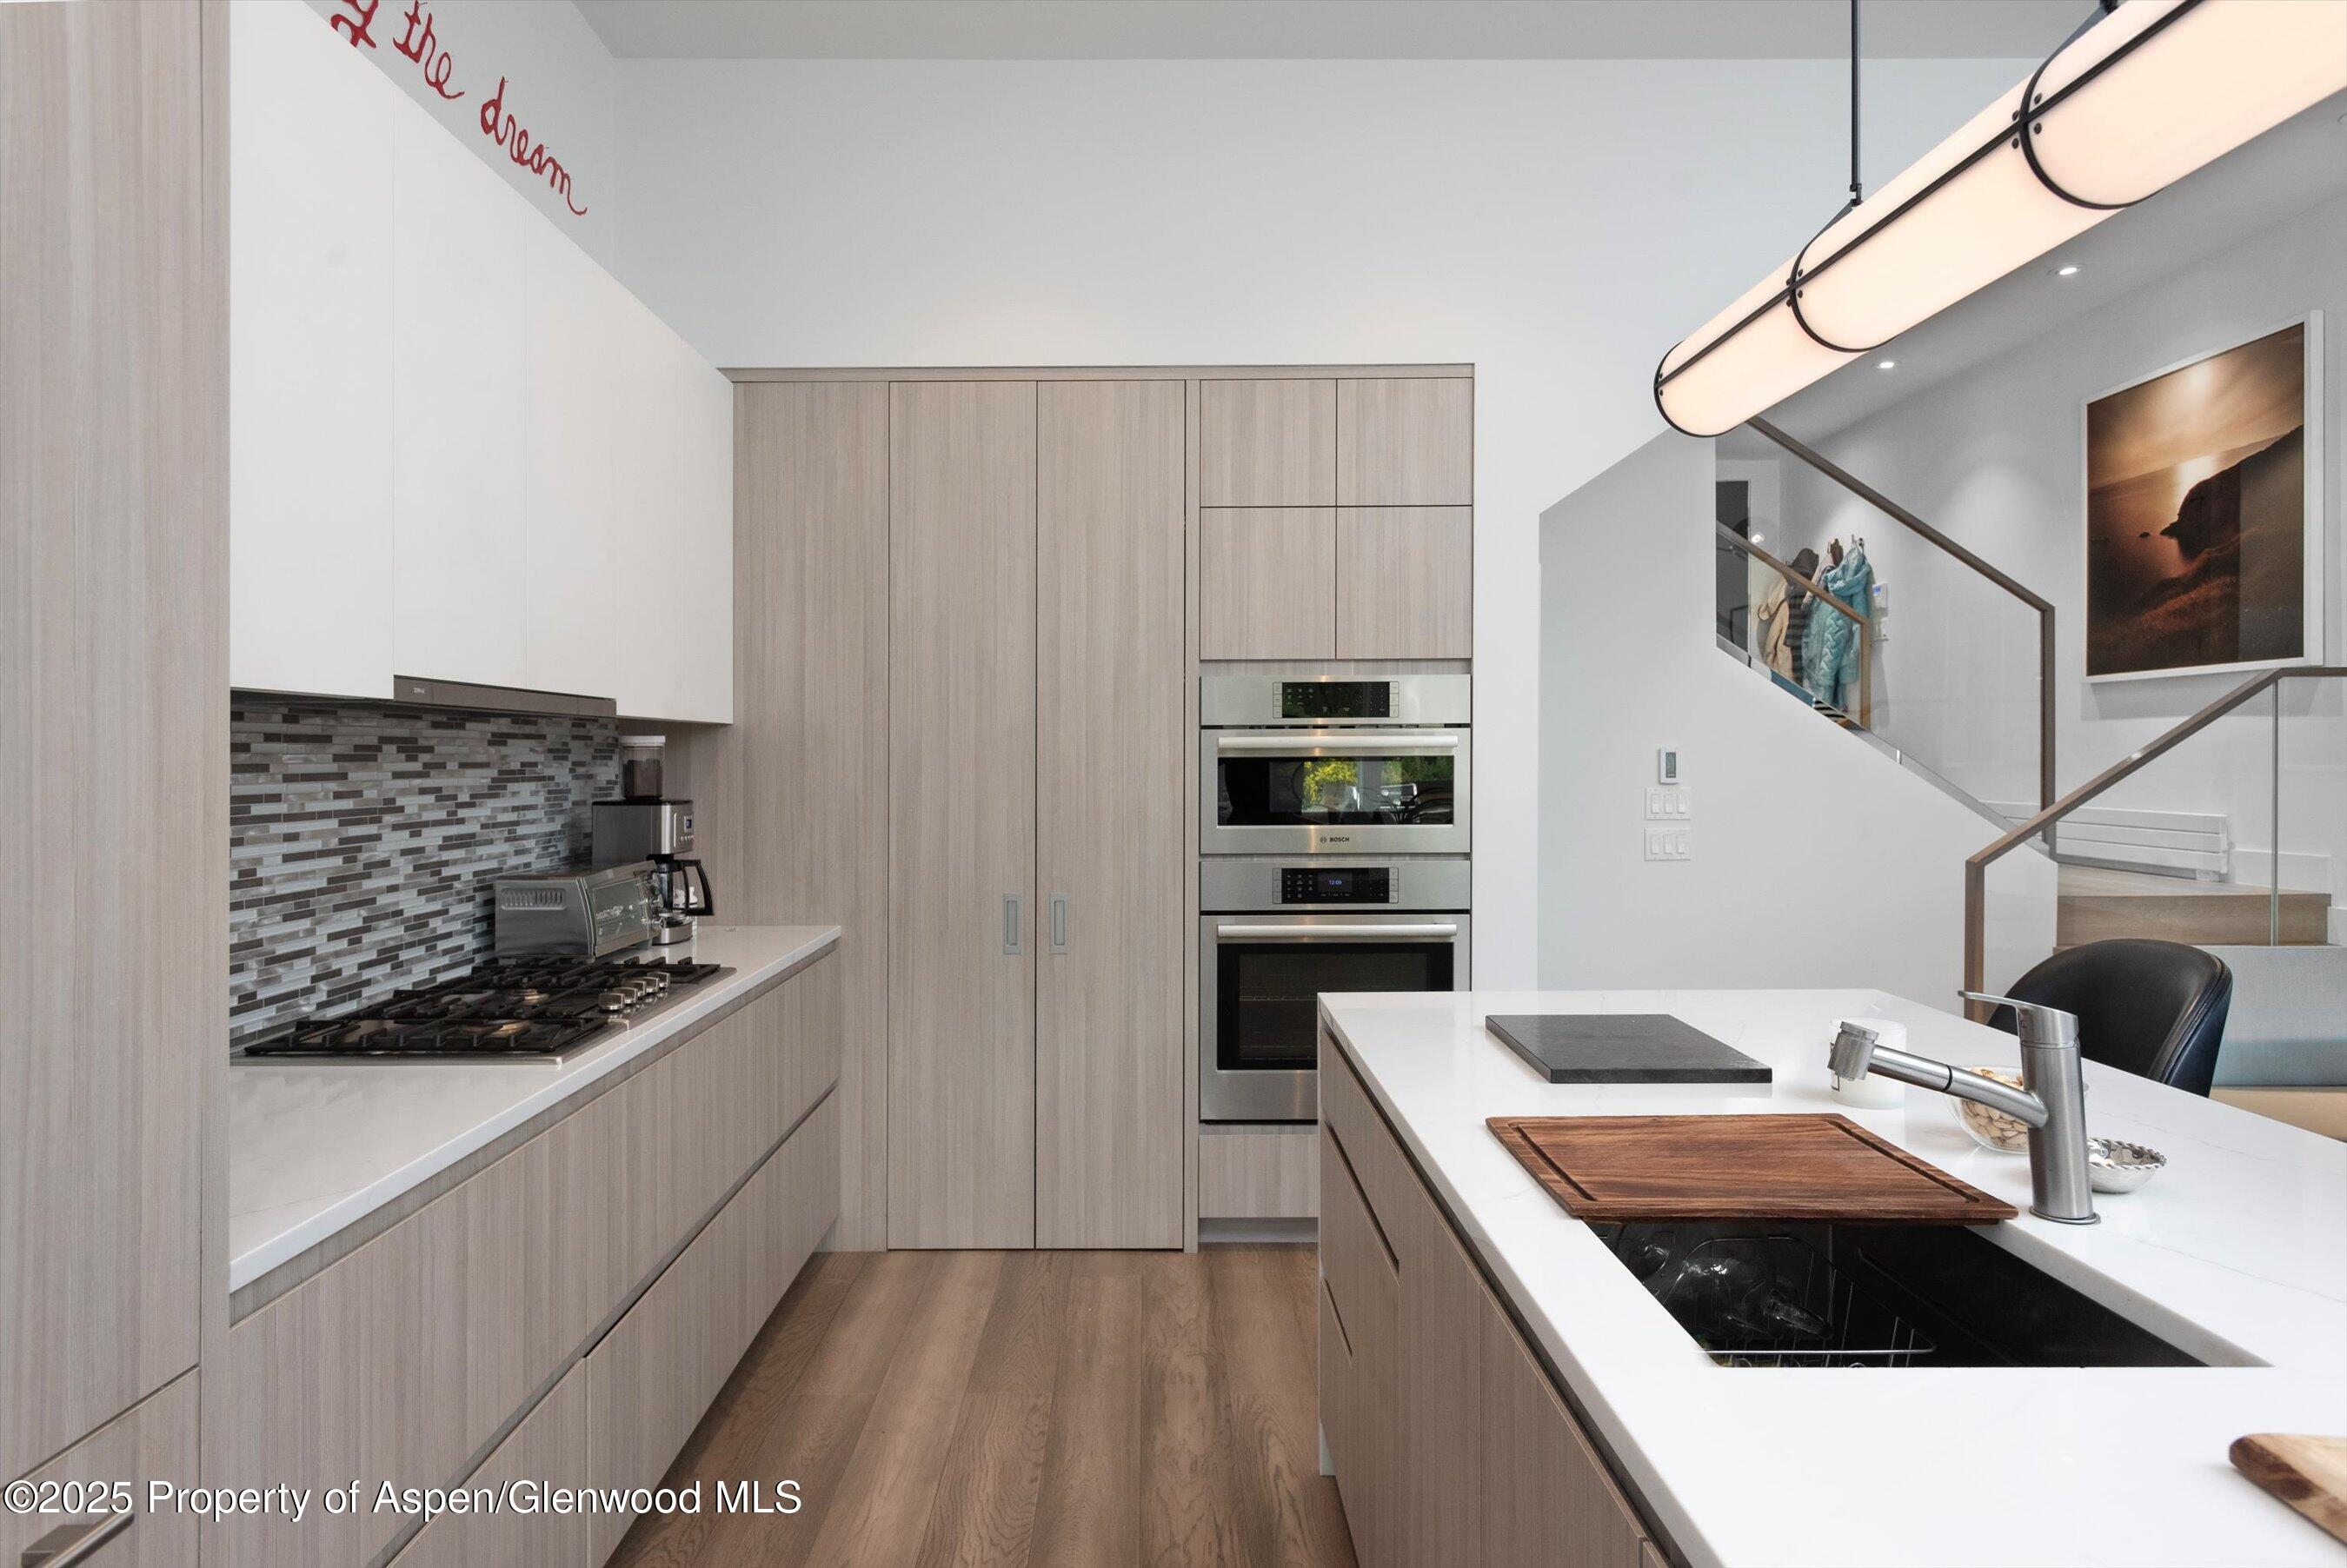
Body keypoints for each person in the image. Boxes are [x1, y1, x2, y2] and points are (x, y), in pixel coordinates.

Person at [1805, 537, 1874, 715]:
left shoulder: (1831, 583)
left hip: (1824, 640)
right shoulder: (1856, 586)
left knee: (1822, 685)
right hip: (1837, 641)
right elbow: (1861, 622)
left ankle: (1824, 723)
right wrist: (1859, 649)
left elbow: (1810, 607)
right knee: (1829, 687)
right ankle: (1830, 723)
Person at [1755, 548, 1819, 701]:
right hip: (1802, 667)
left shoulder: (1790, 601)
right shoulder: (1814, 602)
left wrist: (1769, 664)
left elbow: (1771, 642)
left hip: (1789, 664)